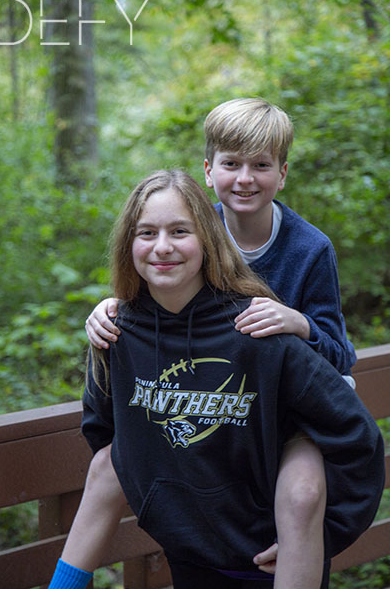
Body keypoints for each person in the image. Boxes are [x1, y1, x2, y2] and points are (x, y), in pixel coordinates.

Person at [49, 169, 384, 589]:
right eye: (147, 233)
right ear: (128, 244)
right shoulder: (117, 333)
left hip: (277, 561)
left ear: (207, 239)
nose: (163, 246)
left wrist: (324, 534)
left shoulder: (258, 331)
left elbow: (357, 438)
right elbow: (105, 434)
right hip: (189, 553)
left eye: (179, 231)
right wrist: (161, 503)